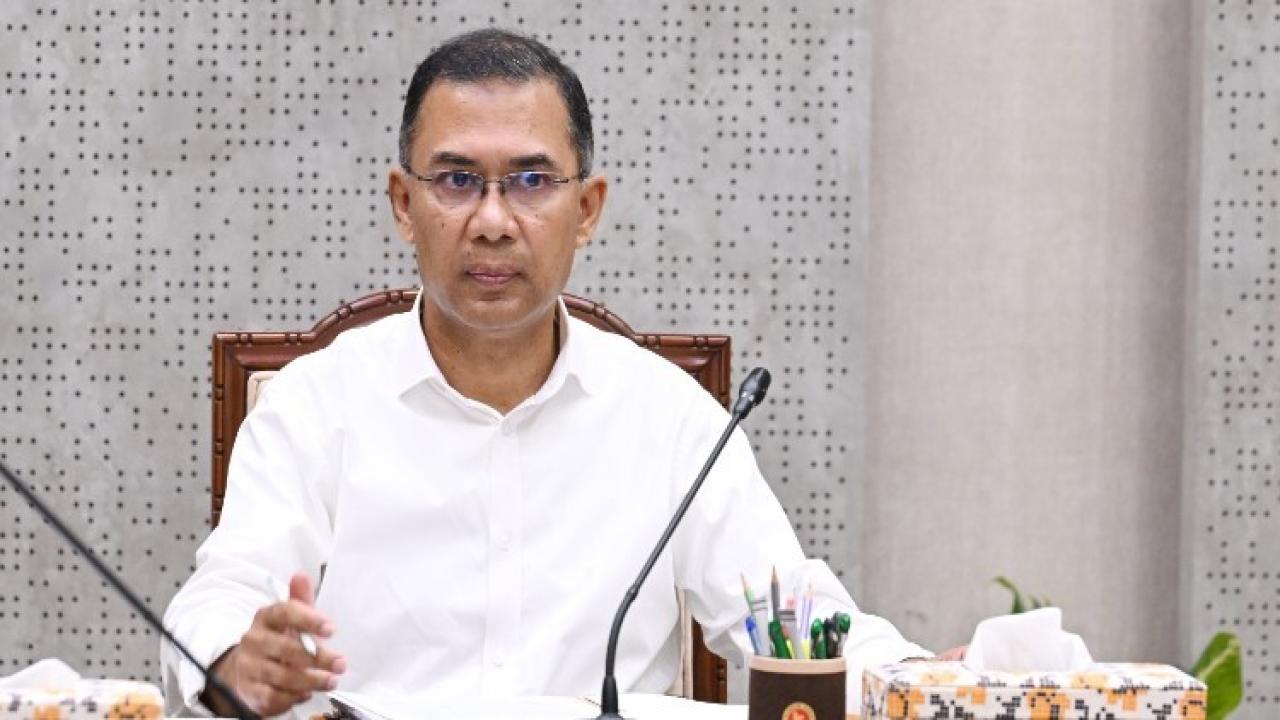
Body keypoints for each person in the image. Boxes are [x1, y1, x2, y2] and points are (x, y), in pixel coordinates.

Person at [161, 28, 940, 718]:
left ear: (588, 208)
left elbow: (793, 615)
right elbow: (222, 598)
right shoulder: (315, 405)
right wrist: (235, 661)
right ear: (403, 204)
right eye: (457, 181)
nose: (493, 221)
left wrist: (922, 684)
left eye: (531, 182)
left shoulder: (668, 417)